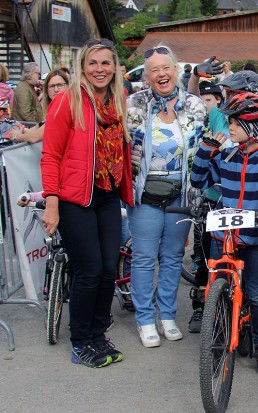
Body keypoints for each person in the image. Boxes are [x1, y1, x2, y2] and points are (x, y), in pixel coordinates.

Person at [40, 38, 133, 368]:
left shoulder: (118, 100)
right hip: (74, 199)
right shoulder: (67, 101)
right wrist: (52, 204)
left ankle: (97, 335)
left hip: (107, 195)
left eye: (106, 63)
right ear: (83, 66)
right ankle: (80, 341)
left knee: (108, 270)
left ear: (114, 67)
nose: (100, 69)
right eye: (93, 63)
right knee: (89, 270)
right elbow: (50, 155)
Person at [190, 92, 258, 377]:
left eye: (235, 123)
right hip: (223, 235)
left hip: (254, 236)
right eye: (229, 122)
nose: (229, 128)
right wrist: (206, 150)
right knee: (216, 285)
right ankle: (217, 327)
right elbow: (198, 180)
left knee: (256, 292)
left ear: (254, 127)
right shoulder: (227, 155)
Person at [126, 45, 207, 348]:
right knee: (145, 259)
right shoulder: (134, 104)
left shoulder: (195, 105)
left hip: (182, 193)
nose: (161, 74)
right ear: (146, 76)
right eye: (154, 70)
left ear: (176, 70)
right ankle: (146, 319)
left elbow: (202, 150)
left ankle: (167, 315)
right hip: (145, 191)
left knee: (173, 257)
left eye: (166, 67)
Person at [187, 81, 224, 334]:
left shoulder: (241, 118)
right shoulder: (207, 121)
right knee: (204, 259)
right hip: (211, 199)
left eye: (211, 99)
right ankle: (199, 308)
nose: (207, 104)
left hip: (238, 205)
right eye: (205, 100)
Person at [10, 69, 70, 144]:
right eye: (52, 86)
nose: (56, 89)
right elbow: (41, 127)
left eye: (60, 85)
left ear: (68, 86)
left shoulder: (65, 109)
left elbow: (34, 137)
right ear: (47, 90)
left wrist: (16, 136)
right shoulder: (54, 109)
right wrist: (23, 130)